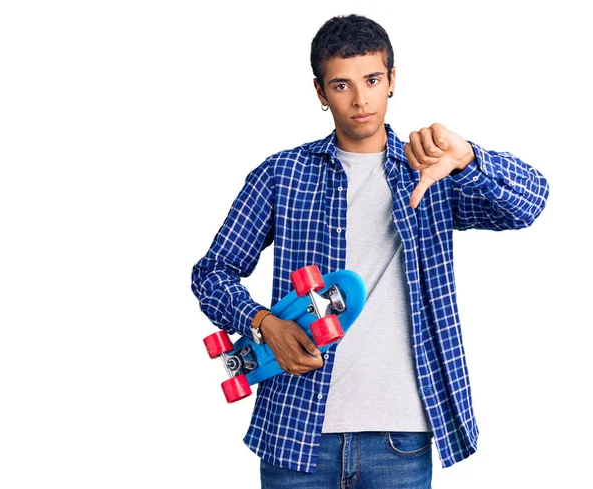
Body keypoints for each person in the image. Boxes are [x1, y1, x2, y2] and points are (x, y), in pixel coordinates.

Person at [190, 13, 549, 489]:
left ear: (392, 80)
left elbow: (530, 204)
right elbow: (212, 272)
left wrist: (468, 158)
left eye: (372, 80)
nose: (360, 100)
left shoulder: (431, 172)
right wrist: (263, 323)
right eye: (341, 85)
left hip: (401, 436)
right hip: (297, 433)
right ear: (319, 92)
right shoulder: (281, 175)